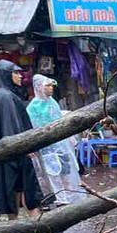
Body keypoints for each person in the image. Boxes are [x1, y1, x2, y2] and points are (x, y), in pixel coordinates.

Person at [0, 60, 43, 220]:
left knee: (16, 187)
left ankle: (16, 224)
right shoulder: (6, 97)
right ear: (6, 75)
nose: (19, 76)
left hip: (13, 150)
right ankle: (35, 224)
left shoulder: (5, 95)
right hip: (15, 149)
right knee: (24, 187)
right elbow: (10, 126)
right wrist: (22, 148)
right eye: (15, 73)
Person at [26, 74, 84, 206]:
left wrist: (69, 137)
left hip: (62, 145)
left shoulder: (53, 103)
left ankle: (71, 195)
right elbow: (33, 128)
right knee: (52, 173)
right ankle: (60, 198)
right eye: (48, 85)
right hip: (47, 148)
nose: (51, 88)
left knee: (66, 171)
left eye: (51, 85)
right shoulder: (33, 108)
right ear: (39, 87)